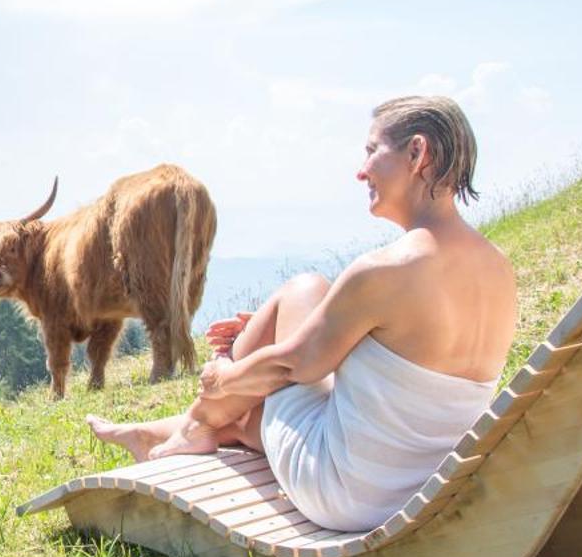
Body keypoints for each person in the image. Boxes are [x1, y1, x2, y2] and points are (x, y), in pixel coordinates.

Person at [85, 95, 517, 532]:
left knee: (304, 288)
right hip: (432, 486)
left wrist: (222, 379)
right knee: (294, 335)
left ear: (417, 152)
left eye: (371, 152)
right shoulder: (499, 269)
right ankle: (172, 431)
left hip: (350, 492)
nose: (361, 170)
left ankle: (196, 424)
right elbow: (406, 367)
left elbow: (293, 365)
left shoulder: (387, 270)